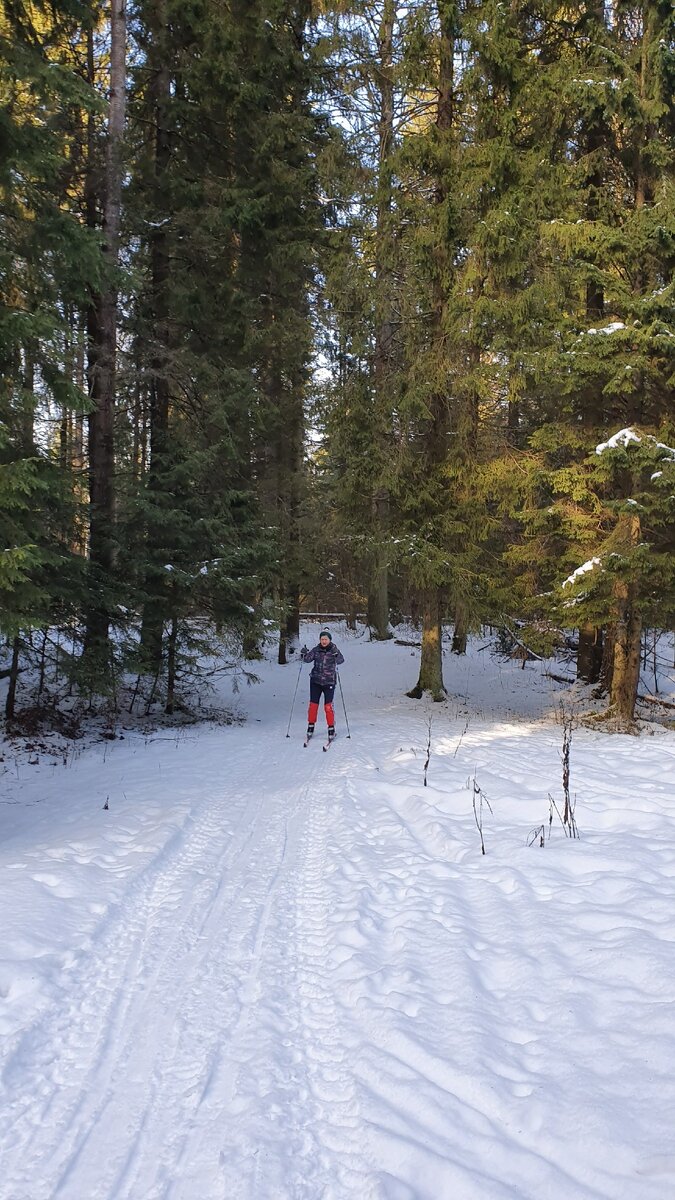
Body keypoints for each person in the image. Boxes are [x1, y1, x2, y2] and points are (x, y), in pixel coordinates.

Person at [301, 629, 344, 740]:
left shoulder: (334, 649)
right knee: (313, 706)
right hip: (315, 681)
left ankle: (331, 728)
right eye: (322, 639)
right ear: (320, 640)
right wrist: (304, 653)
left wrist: (336, 654)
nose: (324, 641)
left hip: (329, 682)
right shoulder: (316, 650)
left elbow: (341, 660)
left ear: (330, 640)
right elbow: (307, 660)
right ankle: (310, 726)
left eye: (326, 639)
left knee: (328, 707)